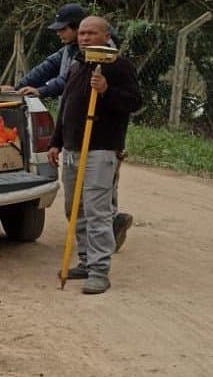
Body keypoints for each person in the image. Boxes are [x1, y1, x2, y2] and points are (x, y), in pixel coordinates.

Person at [0, 3, 134, 250]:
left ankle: (103, 247)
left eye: (65, 29)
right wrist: (17, 87)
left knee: (99, 193)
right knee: (79, 202)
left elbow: (63, 82)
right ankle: (92, 247)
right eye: (81, 34)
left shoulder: (112, 61)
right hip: (74, 131)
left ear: (103, 35)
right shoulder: (70, 52)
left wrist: (42, 90)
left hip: (103, 135)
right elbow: (49, 71)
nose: (61, 34)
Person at [47, 16, 142, 294]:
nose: (85, 37)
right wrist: (56, 141)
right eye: (82, 33)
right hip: (74, 149)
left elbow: (134, 103)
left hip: (100, 150)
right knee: (74, 209)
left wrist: (106, 91)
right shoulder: (79, 64)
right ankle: (86, 261)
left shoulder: (119, 66)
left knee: (97, 210)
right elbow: (66, 105)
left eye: (91, 33)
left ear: (105, 35)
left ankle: (100, 270)